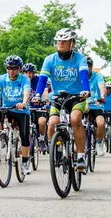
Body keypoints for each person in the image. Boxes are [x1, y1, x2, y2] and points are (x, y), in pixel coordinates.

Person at [32, 28, 90, 172]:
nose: (60, 43)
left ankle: (81, 157)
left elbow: (83, 75)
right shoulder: (50, 59)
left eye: (64, 41)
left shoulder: (80, 58)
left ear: (72, 43)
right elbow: (43, 79)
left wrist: (86, 90)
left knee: (76, 119)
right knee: (52, 123)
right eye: (58, 41)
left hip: (77, 96)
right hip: (58, 97)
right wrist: (38, 95)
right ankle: (56, 149)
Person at [0, 56, 33, 174]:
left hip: (21, 110)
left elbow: (26, 91)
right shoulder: (2, 79)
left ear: (20, 69)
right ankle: (2, 135)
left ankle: (25, 162)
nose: (11, 71)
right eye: (8, 68)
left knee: (25, 135)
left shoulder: (24, 79)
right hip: (7, 109)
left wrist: (24, 103)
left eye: (14, 68)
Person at [23, 63, 49, 152]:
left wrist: (45, 101)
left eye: (30, 72)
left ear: (34, 73)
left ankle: (41, 139)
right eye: (26, 72)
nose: (28, 75)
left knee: (42, 122)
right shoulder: (21, 80)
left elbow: (45, 91)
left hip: (39, 107)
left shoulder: (38, 80)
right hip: (26, 108)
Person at [86, 57, 107, 157]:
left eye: (88, 66)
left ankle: (99, 143)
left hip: (96, 105)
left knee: (101, 123)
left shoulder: (98, 77)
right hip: (82, 106)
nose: (86, 69)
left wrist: (102, 96)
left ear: (91, 67)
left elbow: (101, 86)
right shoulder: (78, 77)